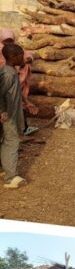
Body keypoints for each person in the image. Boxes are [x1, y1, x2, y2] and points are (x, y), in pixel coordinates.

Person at [0, 43, 25, 189]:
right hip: (8, 115)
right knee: (12, 142)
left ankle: (6, 169)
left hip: (12, 113)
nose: (24, 57)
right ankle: (11, 178)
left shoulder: (11, 71)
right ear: (13, 57)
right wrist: (3, 111)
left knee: (7, 141)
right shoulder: (8, 73)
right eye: (21, 54)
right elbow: (0, 93)